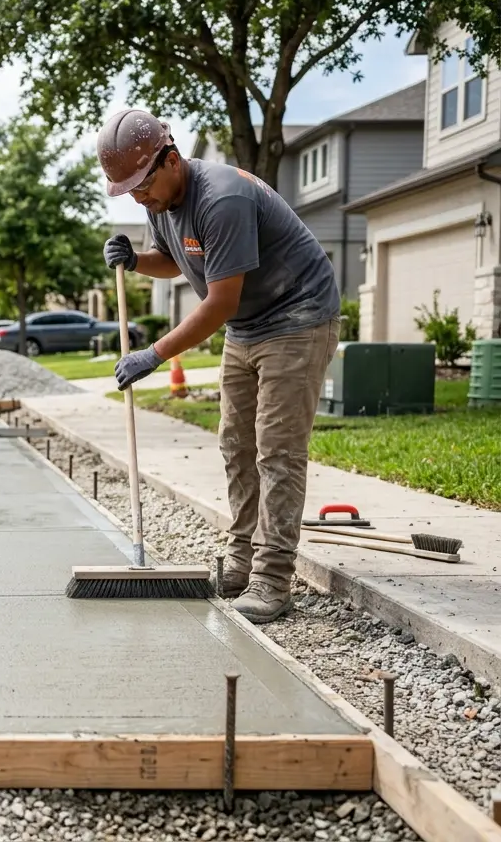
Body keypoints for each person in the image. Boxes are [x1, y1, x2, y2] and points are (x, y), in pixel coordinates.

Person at [95, 108, 341, 624]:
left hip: (298, 316)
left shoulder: (222, 197)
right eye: (130, 191)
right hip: (248, 325)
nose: (140, 198)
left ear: (171, 158)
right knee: (236, 443)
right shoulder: (159, 200)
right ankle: (243, 555)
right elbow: (180, 259)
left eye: (142, 185)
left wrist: (154, 354)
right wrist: (137, 261)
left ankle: (272, 580)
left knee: (277, 450)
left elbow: (219, 302)